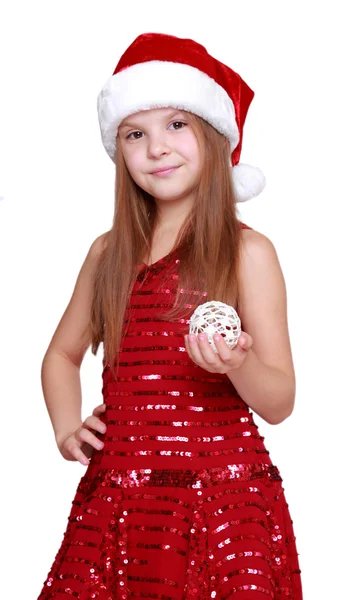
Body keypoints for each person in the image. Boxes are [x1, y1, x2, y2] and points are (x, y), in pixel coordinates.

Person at [37, 32, 303, 599]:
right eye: (136, 133)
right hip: (122, 501)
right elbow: (61, 355)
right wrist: (67, 428)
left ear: (213, 136)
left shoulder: (247, 253)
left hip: (222, 507)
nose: (157, 148)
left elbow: (279, 400)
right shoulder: (108, 255)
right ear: (120, 150)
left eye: (177, 125)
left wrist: (237, 363)